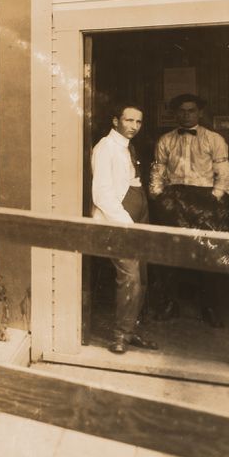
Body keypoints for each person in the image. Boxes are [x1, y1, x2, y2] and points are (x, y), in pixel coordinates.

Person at [149, 93, 229, 327]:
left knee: (207, 254)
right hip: (174, 197)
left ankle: (210, 308)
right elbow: (158, 170)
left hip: (204, 198)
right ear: (175, 113)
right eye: (182, 111)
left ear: (200, 113)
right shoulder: (165, 139)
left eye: (191, 110)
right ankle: (169, 305)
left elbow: (224, 173)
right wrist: (159, 196)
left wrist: (213, 198)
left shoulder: (214, 138)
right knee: (169, 253)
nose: (186, 115)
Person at [89, 103, 159, 354]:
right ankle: (120, 335)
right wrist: (126, 221)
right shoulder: (105, 148)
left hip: (140, 213)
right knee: (129, 276)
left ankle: (131, 331)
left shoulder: (127, 147)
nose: (133, 126)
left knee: (142, 274)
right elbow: (102, 193)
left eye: (138, 122)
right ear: (115, 121)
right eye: (128, 120)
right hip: (119, 218)